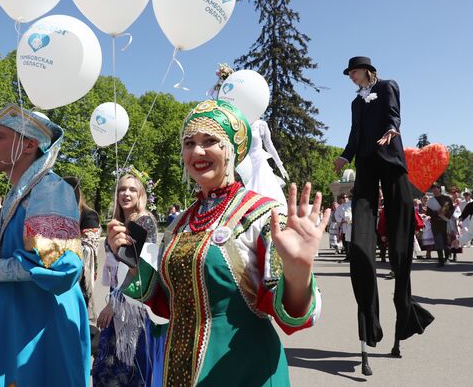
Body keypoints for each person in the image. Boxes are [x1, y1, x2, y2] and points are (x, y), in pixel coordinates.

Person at [107, 100, 330, 386]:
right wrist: (132, 259)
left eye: (209, 141)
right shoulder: (178, 224)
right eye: (189, 143)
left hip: (243, 369)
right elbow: (165, 303)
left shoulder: (263, 216)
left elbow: (292, 316)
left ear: (231, 150)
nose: (197, 151)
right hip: (178, 366)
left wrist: (299, 269)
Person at [0, 103, 90, 386]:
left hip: (40, 327)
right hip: (24, 320)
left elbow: (63, 267)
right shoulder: (23, 192)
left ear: (29, 144)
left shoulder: (48, 189)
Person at [333, 57, 434, 375]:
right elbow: (354, 133)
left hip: (391, 163)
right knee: (361, 246)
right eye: (348, 74)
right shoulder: (355, 101)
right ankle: (369, 328)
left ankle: (405, 317)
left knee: (401, 244)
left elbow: (393, 115)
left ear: (367, 71)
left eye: (353, 72)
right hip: (365, 165)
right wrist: (344, 156)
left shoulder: (388, 86)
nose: (350, 77)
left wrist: (392, 131)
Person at [93, 168, 165, 386]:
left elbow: (142, 269)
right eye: (122, 189)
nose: (126, 194)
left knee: (129, 368)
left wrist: (114, 303)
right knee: (109, 367)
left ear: (141, 195)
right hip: (118, 299)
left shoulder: (143, 222)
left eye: (132, 190)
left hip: (135, 303)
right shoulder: (118, 222)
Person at [63, 177, 101, 325]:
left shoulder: (88, 214)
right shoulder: (63, 215)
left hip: (82, 273)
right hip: (65, 270)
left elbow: (89, 246)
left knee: (78, 311)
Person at [236, 119, 289, 205]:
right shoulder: (240, 122)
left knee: (262, 188)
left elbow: (269, 145)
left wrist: (280, 165)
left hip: (259, 162)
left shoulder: (261, 124)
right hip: (245, 162)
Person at [427, 183, 455, 266]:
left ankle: (446, 257)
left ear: (439, 189)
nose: (435, 190)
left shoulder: (446, 198)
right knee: (438, 240)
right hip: (435, 223)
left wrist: (446, 214)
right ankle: (440, 260)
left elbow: (451, 209)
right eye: (433, 189)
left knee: (446, 240)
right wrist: (436, 213)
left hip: (445, 222)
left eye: (436, 188)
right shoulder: (431, 201)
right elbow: (428, 212)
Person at [335, 192, 352, 262]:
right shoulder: (339, 207)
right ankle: (348, 256)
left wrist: (349, 220)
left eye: (346, 197)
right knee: (345, 242)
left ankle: (353, 256)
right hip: (344, 226)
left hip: (351, 225)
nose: (345, 199)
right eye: (343, 198)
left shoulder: (352, 204)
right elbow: (337, 216)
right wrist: (341, 221)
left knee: (351, 241)